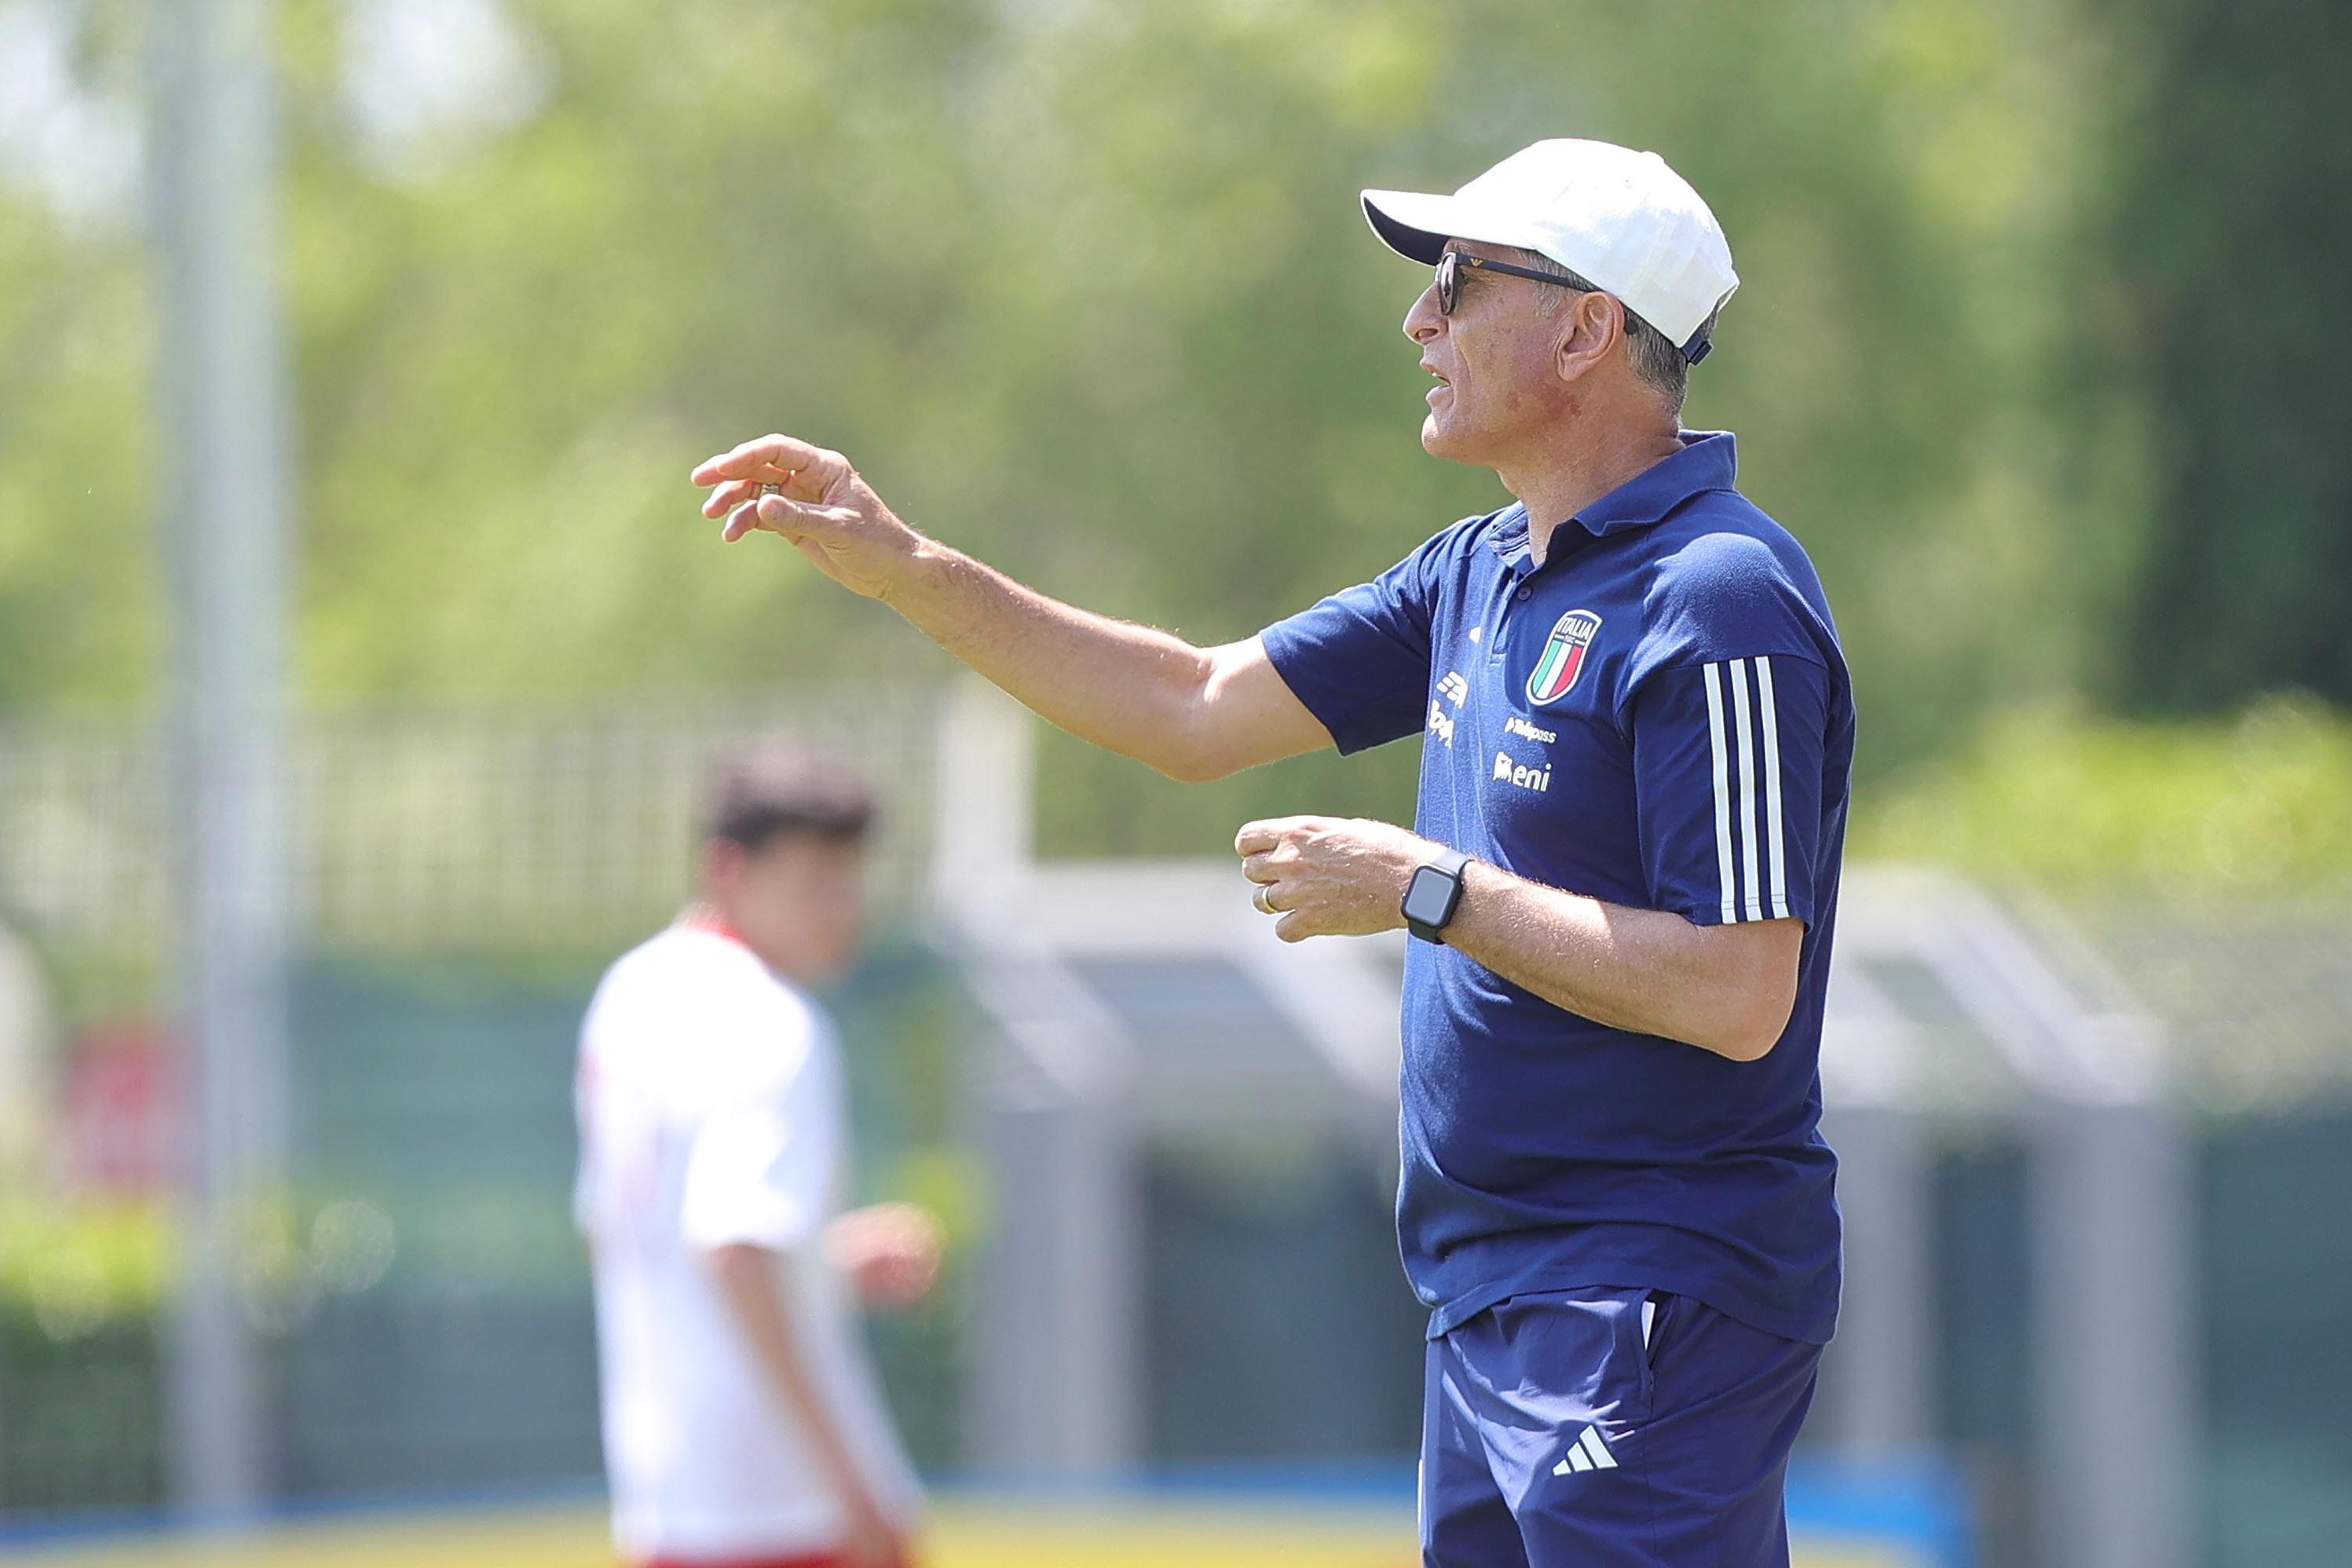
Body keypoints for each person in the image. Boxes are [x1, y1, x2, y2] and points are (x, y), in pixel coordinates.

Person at [690, 137, 1850, 1567]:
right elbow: (1189, 704)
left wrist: (1430, 890)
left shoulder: (1719, 597)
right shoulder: (1476, 569)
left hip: (1649, 1291)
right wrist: (905, 566)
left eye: (1460, 281)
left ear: (1588, 327)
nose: (1420, 322)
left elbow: (1742, 992)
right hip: (1488, 1293)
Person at [574, 746, 942, 1568]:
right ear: (727, 869)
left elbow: (647, 1234)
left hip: (668, 1491)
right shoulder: (772, 1020)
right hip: (780, 1501)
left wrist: (823, 1264)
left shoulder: (631, 989)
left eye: (849, 877)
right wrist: (851, 1481)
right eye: (815, 878)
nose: (843, 906)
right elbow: (733, 1248)